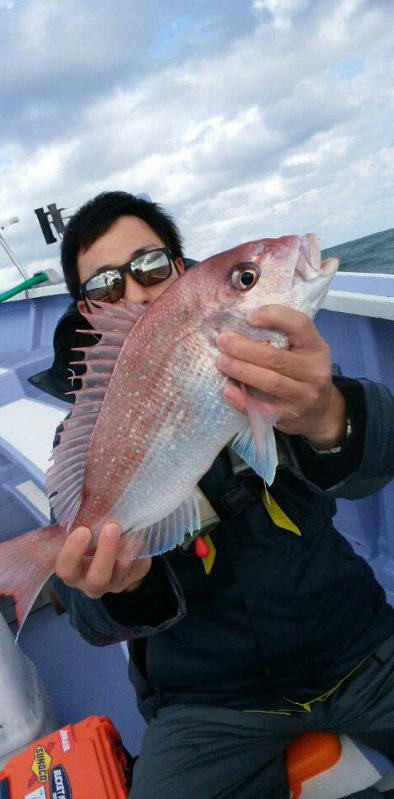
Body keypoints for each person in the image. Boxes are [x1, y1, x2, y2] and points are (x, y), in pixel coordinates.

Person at [31, 191, 394, 799]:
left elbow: (376, 464)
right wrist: (120, 589)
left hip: (355, 645)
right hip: (206, 705)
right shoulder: (84, 441)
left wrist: (331, 412)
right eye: (106, 286)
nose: (135, 293)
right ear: (87, 311)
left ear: (181, 269)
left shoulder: (275, 362)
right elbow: (89, 618)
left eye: (150, 267)